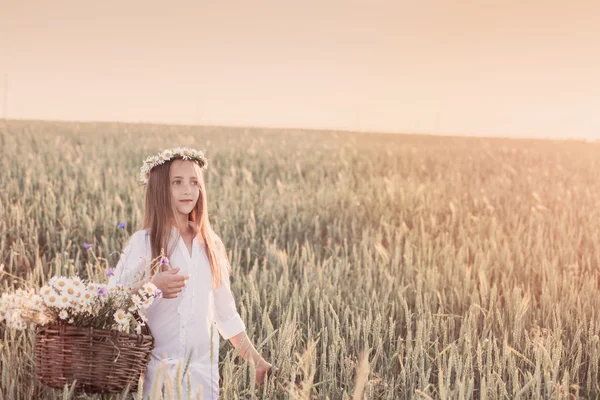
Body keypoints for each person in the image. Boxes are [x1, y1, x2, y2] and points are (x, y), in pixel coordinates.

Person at [108, 147, 274, 399]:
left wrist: (257, 362)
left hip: (203, 379)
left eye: (194, 182)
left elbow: (225, 314)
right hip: (158, 377)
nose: (188, 190)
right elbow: (110, 302)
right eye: (177, 182)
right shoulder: (143, 242)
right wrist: (151, 287)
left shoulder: (210, 245)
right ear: (159, 188)